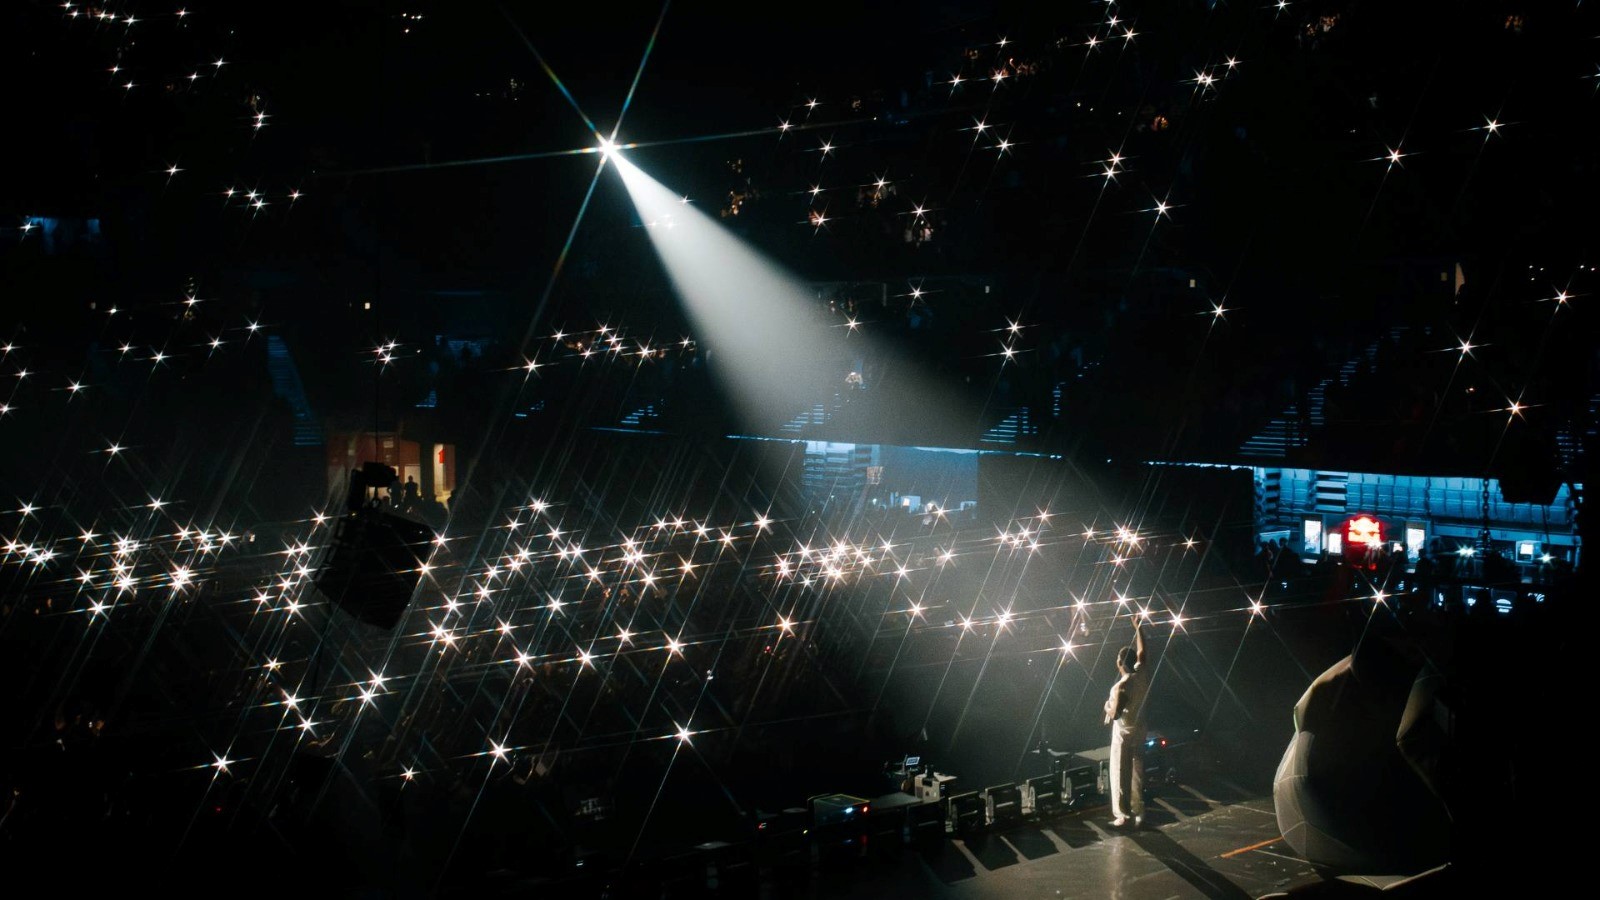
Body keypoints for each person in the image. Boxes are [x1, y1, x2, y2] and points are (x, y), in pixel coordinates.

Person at [1103, 621, 1149, 827]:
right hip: (1139, 729)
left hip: (1124, 733)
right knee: (1137, 772)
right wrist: (1139, 628)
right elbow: (1142, 652)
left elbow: (1115, 714)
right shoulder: (1140, 675)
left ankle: (1123, 815)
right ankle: (1139, 810)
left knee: (1120, 773)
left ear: (1121, 662)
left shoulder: (1122, 687)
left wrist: (1106, 707)